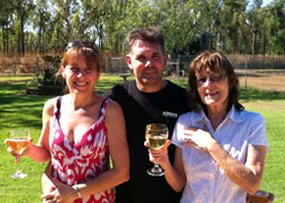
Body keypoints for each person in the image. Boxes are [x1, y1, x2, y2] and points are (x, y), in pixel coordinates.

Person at [9, 41, 130, 203]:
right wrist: (28, 149)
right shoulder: (52, 107)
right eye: (74, 69)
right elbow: (46, 154)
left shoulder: (109, 110)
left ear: (98, 74)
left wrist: (74, 193)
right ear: (63, 71)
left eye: (88, 69)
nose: (81, 76)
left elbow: (122, 172)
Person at [147, 50, 269, 202]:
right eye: (202, 79)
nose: (208, 85)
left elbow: (252, 184)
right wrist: (164, 162)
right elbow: (179, 184)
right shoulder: (185, 122)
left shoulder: (252, 123)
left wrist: (211, 145)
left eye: (216, 77)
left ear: (230, 81)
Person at [104, 27, 189, 203]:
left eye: (155, 57)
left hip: (172, 198)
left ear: (165, 59)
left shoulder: (184, 100)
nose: (149, 63)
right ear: (129, 61)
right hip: (126, 198)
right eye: (141, 57)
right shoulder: (116, 97)